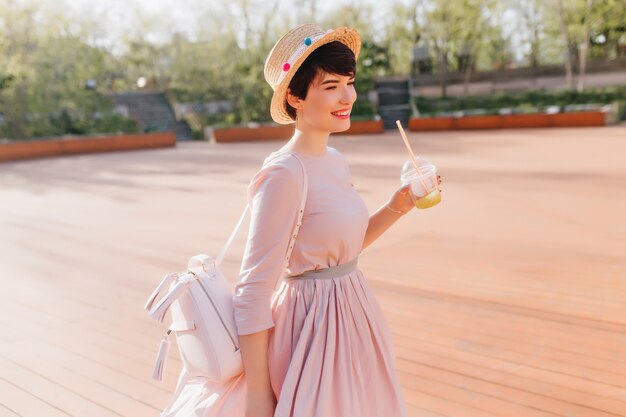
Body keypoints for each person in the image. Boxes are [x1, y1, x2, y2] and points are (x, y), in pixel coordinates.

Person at [232, 24, 442, 417]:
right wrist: (258, 395)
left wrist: (400, 203)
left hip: (354, 308)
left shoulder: (333, 160)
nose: (347, 96)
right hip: (310, 326)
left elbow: (342, 249)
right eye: (330, 86)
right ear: (295, 96)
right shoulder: (283, 174)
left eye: (349, 82)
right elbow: (251, 292)